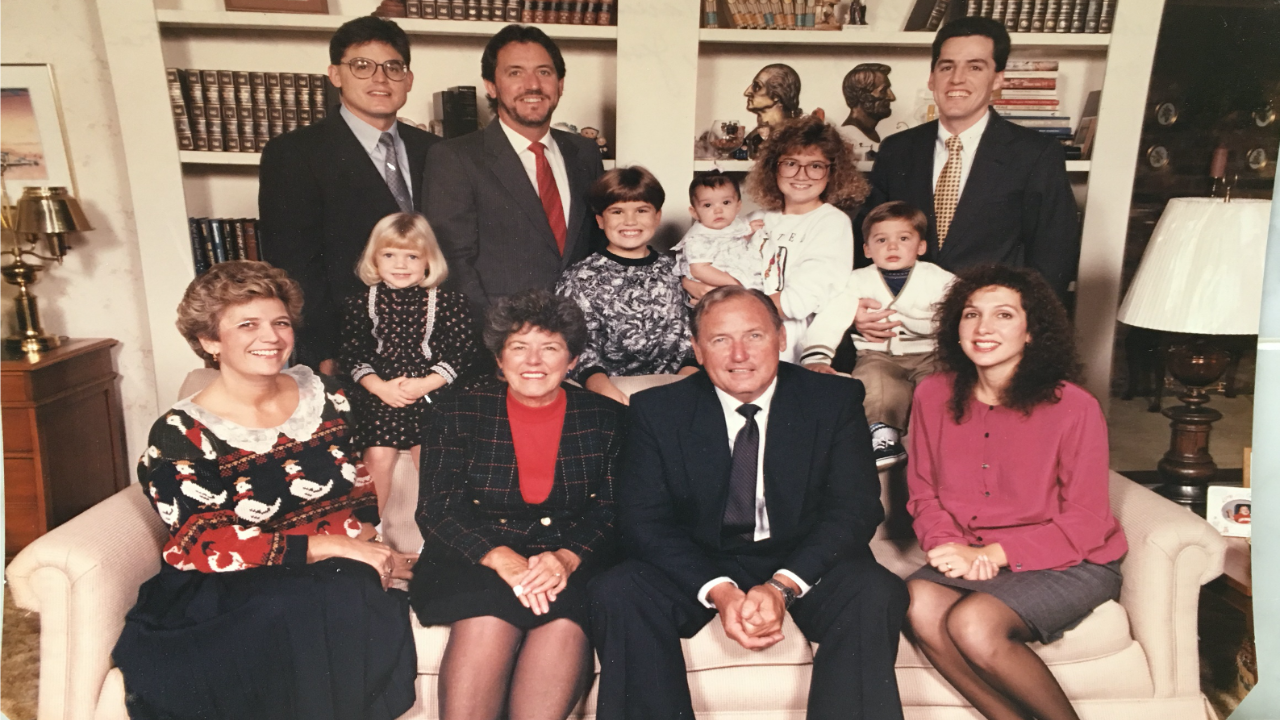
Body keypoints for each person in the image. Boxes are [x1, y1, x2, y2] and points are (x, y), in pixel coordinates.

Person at [113, 261, 418, 720]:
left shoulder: (328, 396)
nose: (271, 337)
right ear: (209, 342)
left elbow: (358, 487)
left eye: (280, 323)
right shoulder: (180, 431)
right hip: (228, 585)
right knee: (307, 603)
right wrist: (331, 546)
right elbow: (205, 543)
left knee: (349, 589)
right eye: (248, 325)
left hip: (323, 574)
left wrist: (369, 547)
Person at [590, 286, 908, 720]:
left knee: (875, 590)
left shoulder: (833, 399)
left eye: (754, 336)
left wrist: (782, 585)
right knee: (619, 590)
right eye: (720, 340)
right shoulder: (656, 408)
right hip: (700, 555)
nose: (739, 354)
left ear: (780, 338)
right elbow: (643, 520)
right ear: (698, 350)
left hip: (799, 552)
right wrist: (718, 591)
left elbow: (855, 508)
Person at [904, 265, 1127, 720]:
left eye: (1004, 315)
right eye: (971, 315)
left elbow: (1086, 519)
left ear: (1031, 332)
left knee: (974, 625)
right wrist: (948, 547)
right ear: (956, 327)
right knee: (917, 603)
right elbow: (923, 493)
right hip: (972, 551)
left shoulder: (1074, 408)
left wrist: (994, 554)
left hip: (1072, 560)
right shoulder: (931, 394)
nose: (984, 328)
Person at [410, 288, 627, 720]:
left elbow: (613, 509)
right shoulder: (455, 410)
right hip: (476, 559)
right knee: (487, 617)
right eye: (518, 348)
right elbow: (437, 507)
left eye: (550, 349)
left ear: (573, 360)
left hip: (570, 563)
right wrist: (500, 558)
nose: (533, 362)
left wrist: (567, 558)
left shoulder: (607, 418)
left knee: (564, 623)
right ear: (499, 358)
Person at [863, 15, 1079, 328]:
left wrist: (1026, 326)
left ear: (998, 79)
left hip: (990, 329)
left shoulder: (1035, 154)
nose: (957, 79)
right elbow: (869, 238)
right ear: (932, 77)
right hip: (902, 325)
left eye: (975, 67)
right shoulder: (896, 150)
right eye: (946, 66)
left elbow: (1054, 254)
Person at [259, 16, 439, 374]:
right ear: (335, 75)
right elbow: (293, 263)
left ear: (409, 80)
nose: (380, 78)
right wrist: (324, 347)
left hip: (434, 343)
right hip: (348, 347)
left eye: (393, 67)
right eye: (362, 66)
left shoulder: (437, 150)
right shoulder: (295, 153)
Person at [423, 24, 605, 316]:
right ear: (491, 86)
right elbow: (453, 262)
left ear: (560, 84)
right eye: (515, 72)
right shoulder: (456, 157)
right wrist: (499, 336)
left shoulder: (584, 152)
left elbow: (600, 244)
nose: (532, 85)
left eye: (544, 72)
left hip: (581, 333)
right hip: (502, 339)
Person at [339, 212, 490, 517]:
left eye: (411, 256)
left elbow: (460, 353)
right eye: (389, 255)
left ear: (428, 261)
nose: (400, 265)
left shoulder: (449, 303)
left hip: (432, 391)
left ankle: (439, 531)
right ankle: (372, 530)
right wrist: (380, 388)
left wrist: (425, 384)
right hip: (381, 395)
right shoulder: (359, 303)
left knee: (432, 456)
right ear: (375, 259)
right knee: (378, 455)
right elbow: (352, 355)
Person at [685, 114, 868, 363]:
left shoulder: (832, 223)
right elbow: (700, 264)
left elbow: (798, 302)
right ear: (774, 167)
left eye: (815, 166)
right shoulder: (754, 219)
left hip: (790, 351)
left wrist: (719, 300)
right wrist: (692, 283)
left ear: (832, 172)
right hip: (736, 346)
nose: (801, 175)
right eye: (790, 163)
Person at [801, 201, 955, 469]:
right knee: (874, 381)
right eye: (881, 240)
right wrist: (817, 356)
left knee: (939, 385)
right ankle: (884, 436)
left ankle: (943, 440)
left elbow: (963, 307)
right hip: (878, 355)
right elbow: (832, 316)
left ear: (921, 246)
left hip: (930, 353)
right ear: (867, 249)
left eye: (903, 238)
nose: (892, 246)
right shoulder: (856, 280)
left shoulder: (938, 278)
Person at [555, 166, 699, 405]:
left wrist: (680, 391)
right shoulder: (580, 277)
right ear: (600, 220)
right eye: (617, 211)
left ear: (657, 217)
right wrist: (608, 395)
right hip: (607, 394)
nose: (630, 221)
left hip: (673, 389)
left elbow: (691, 340)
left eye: (642, 210)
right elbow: (579, 347)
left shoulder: (675, 271)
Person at [671, 170, 769, 291]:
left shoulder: (735, 224)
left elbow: (733, 239)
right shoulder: (698, 239)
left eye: (726, 202)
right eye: (708, 205)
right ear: (694, 212)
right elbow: (699, 270)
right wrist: (737, 285)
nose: (718, 210)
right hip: (717, 284)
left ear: (738, 206)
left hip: (738, 276)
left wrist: (748, 231)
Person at [838, 63, 896, 160]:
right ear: (861, 95)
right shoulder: (849, 136)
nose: (892, 97)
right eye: (883, 90)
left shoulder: (869, 133)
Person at [744, 63, 803, 152]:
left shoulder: (794, 138)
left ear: (777, 95)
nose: (747, 92)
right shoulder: (752, 138)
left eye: (757, 87)